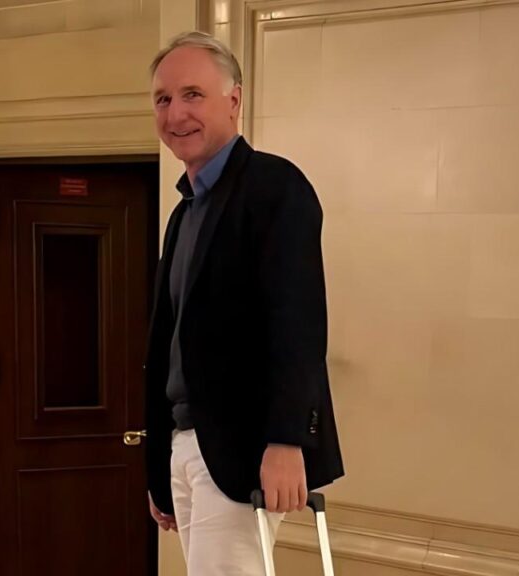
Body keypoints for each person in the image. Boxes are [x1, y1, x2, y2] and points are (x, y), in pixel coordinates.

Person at [143, 31, 344, 574]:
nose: (175, 112)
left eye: (192, 94)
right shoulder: (184, 215)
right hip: (188, 446)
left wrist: (286, 441)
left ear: (234, 101)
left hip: (244, 447)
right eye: (163, 99)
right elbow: (171, 345)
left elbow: (298, 321)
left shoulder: (276, 187)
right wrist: (160, 466)